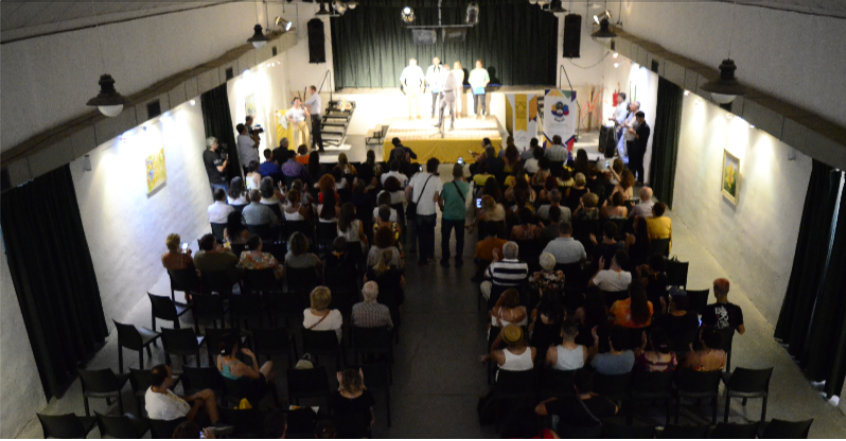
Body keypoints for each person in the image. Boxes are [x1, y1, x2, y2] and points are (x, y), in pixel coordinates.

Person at [534, 370, 618, 428]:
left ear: (575, 387)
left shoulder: (564, 403)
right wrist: (598, 396)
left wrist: (552, 400)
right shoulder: (601, 403)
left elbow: (538, 409)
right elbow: (616, 409)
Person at [146, 364, 221, 425]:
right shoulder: (165, 406)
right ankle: (214, 427)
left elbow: (175, 397)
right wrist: (197, 404)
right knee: (209, 405)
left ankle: (215, 424)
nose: (172, 376)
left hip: (184, 408)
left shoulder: (154, 388)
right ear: (166, 380)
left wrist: (193, 397)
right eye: (170, 375)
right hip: (188, 424)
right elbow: (186, 420)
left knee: (208, 393)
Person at [217, 334, 277, 407]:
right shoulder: (239, 366)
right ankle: (275, 405)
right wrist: (253, 356)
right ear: (234, 347)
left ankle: (275, 404)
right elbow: (258, 376)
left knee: (270, 375)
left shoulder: (219, 358)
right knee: (270, 364)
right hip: (249, 396)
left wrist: (248, 369)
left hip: (231, 392)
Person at [406, 158, 443, 266]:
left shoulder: (417, 175)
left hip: (418, 211)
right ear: (436, 168)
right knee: (430, 234)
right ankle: (430, 255)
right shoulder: (437, 179)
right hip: (430, 212)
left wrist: (410, 202)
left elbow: (406, 190)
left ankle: (422, 259)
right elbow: (435, 199)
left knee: (421, 236)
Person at [439, 163, 470, 267]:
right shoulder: (466, 186)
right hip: (460, 216)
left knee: (445, 238)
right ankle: (458, 259)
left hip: (447, 216)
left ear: (452, 174)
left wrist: (442, 208)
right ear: (462, 174)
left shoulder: (446, 185)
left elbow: (440, 200)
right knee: (460, 239)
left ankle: (445, 259)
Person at [329, 369, 376, 436]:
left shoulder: (335, 397)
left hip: (342, 434)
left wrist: (340, 384)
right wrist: (362, 383)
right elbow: (370, 416)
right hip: (363, 434)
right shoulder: (367, 395)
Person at [627, 110, 651, 185]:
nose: (636, 119)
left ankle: (641, 180)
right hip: (636, 147)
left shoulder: (646, 127)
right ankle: (636, 178)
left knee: (639, 164)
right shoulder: (639, 125)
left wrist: (633, 132)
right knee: (635, 163)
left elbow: (640, 138)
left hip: (640, 148)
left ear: (641, 118)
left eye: (637, 118)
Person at [437, 64, 459, 133]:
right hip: (443, 96)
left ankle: (452, 125)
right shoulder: (442, 76)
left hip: (450, 96)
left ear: (446, 69)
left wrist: (443, 89)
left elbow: (452, 86)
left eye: (442, 69)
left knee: (451, 111)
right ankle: (440, 123)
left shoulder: (451, 75)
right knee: (441, 108)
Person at [303, 85, 323, 152]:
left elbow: (308, 102)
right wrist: (304, 105)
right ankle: (314, 144)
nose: (309, 92)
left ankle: (321, 148)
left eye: (310, 90)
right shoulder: (316, 97)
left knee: (317, 132)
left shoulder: (315, 96)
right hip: (315, 116)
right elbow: (311, 105)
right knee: (314, 131)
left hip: (316, 116)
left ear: (313, 90)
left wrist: (300, 103)